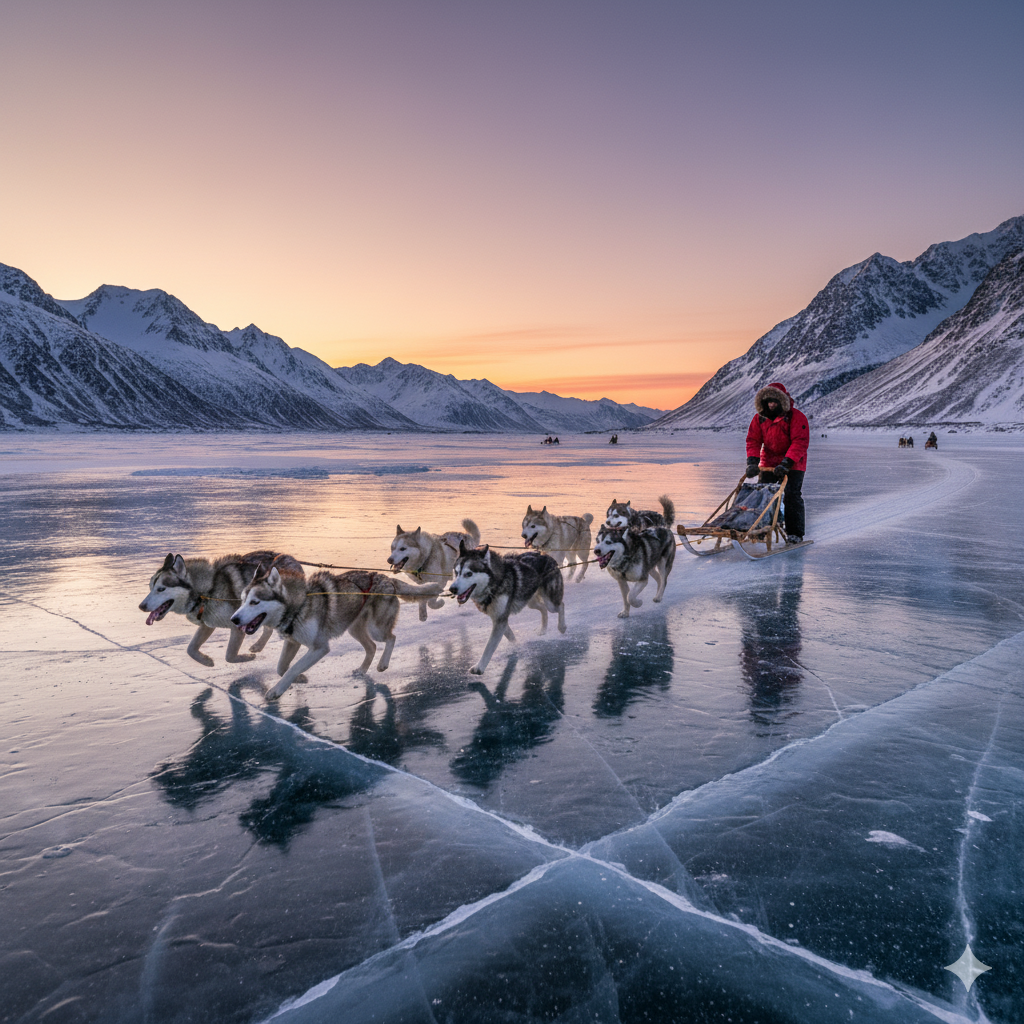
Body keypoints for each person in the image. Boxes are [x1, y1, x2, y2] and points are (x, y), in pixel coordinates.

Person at [745, 382, 809, 544]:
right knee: (763, 495)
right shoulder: (760, 418)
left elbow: (800, 442)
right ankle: (760, 529)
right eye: (768, 402)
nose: (772, 405)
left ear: (782, 401)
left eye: (775, 401)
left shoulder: (795, 417)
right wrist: (753, 462)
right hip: (769, 462)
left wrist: (786, 463)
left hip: (793, 463)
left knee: (792, 496)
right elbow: (753, 440)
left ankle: (795, 533)